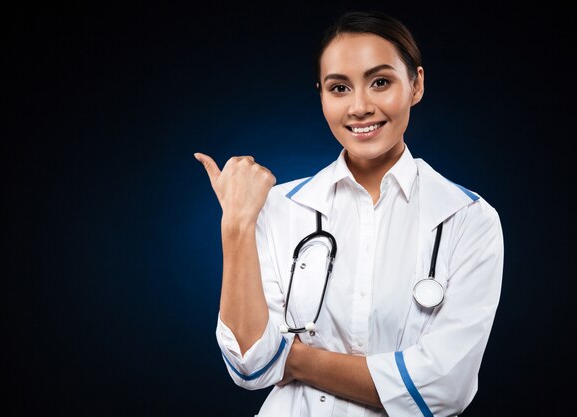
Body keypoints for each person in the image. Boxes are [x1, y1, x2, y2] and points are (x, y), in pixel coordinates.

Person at [194, 10, 503, 417]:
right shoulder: (278, 208)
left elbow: (444, 388)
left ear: (416, 85)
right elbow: (249, 365)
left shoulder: (467, 219)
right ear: (321, 95)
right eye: (339, 87)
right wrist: (236, 221)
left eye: (380, 82)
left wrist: (295, 360)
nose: (359, 107)